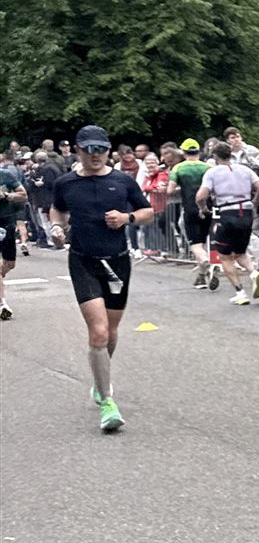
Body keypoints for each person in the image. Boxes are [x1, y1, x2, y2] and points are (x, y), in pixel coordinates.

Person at [48, 124, 153, 432]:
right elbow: (57, 210)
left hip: (117, 261)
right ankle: (107, 402)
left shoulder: (122, 181)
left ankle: (99, 380)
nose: (95, 155)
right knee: (98, 332)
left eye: (101, 149)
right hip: (83, 260)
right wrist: (57, 228)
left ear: (108, 151)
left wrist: (126, 218)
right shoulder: (66, 183)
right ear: (77, 150)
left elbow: (147, 212)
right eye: (89, 149)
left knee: (112, 331)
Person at [197, 142, 259, 305]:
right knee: (240, 252)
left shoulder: (212, 172)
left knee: (225, 256)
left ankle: (240, 293)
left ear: (215, 156)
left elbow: (200, 196)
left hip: (227, 212)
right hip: (246, 212)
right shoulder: (245, 169)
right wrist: (254, 203)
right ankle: (254, 272)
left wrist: (203, 208)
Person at [168, 139, 214, 286]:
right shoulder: (208, 167)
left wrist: (182, 188)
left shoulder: (178, 168)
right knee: (203, 241)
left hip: (190, 208)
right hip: (207, 207)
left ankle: (207, 262)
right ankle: (202, 276)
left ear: (183, 152)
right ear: (198, 151)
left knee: (195, 244)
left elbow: (170, 190)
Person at [0, 154, 27, 318]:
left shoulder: (6, 175)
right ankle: (2, 304)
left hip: (6, 222)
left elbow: (23, 195)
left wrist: (6, 196)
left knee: (10, 264)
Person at [139, 153, 171, 258]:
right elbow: (144, 187)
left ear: (157, 162)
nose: (150, 165)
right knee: (148, 227)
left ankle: (162, 249)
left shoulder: (161, 174)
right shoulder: (149, 176)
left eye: (152, 162)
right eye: (147, 163)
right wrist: (149, 188)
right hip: (149, 206)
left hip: (159, 206)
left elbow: (160, 188)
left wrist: (147, 188)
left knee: (157, 228)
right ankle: (153, 248)